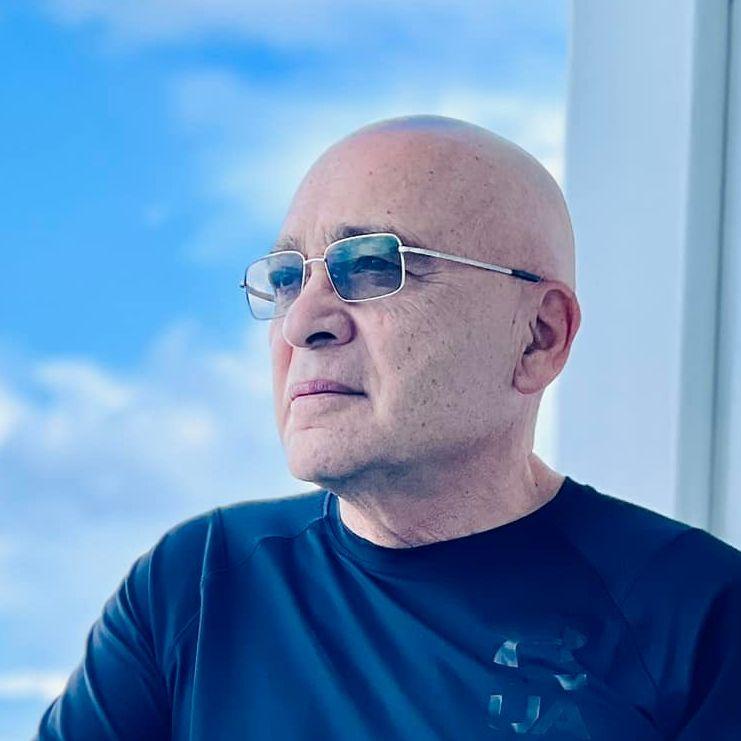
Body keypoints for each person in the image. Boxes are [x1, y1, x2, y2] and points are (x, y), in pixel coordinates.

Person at [36, 115, 741, 740]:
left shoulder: (702, 620)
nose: (302, 322)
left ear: (538, 337)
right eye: (286, 280)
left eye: (374, 267)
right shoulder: (195, 584)